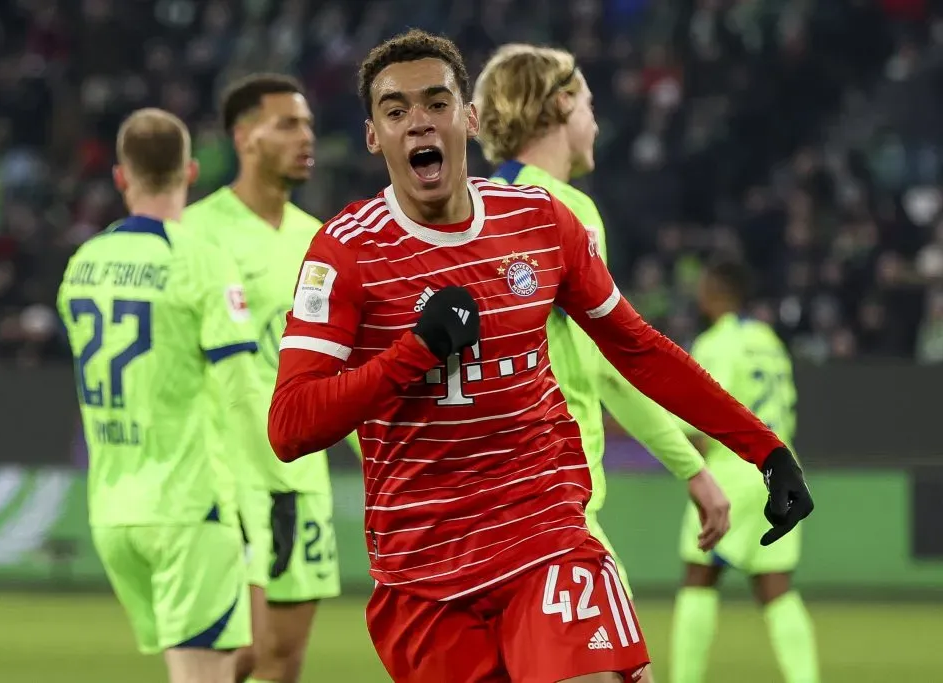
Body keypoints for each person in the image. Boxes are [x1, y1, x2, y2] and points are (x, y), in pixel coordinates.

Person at [267, 30, 813, 683]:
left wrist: (765, 449)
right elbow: (291, 425)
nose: (419, 121)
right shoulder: (345, 253)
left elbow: (638, 349)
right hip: (423, 573)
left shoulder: (541, 220)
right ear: (373, 136)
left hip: (545, 534)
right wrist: (416, 351)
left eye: (436, 103)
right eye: (395, 110)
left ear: (470, 118)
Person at [473, 41, 730, 623]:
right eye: (588, 104)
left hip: (487, 504)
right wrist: (693, 469)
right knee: (625, 663)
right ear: (560, 105)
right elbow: (615, 365)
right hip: (553, 500)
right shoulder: (566, 209)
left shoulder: (478, 206)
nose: (596, 121)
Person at [57, 108, 265, 683]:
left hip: (112, 510)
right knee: (205, 673)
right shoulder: (201, 261)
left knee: (220, 661)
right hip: (189, 508)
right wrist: (267, 493)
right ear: (191, 172)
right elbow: (243, 394)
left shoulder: (82, 265)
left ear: (121, 176)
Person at [181, 74, 353, 683]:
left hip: (301, 480)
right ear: (244, 137)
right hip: (229, 478)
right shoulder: (196, 233)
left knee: (283, 661)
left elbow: (344, 367)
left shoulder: (321, 241)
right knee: (236, 657)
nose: (306, 137)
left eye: (308, 124)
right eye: (287, 124)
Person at [669, 258, 820, 683]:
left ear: (717, 292)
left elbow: (702, 412)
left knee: (699, 576)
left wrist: (686, 460)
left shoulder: (717, 342)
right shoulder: (768, 340)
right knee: (776, 586)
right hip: (780, 469)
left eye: (703, 287)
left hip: (732, 470)